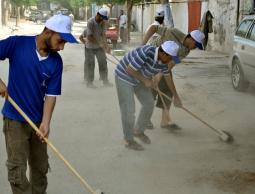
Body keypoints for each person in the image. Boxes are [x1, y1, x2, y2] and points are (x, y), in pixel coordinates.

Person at [0, 14, 77, 194]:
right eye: (61, 41)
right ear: (49, 32)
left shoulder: (56, 62)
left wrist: (46, 123)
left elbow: (51, 95)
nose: (62, 47)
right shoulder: (17, 44)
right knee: (16, 170)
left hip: (37, 122)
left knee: (40, 168)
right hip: (15, 119)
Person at [115, 41, 182, 151]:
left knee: (149, 103)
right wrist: (146, 80)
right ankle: (128, 140)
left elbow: (167, 77)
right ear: (164, 54)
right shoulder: (146, 52)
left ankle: (138, 131)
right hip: (124, 77)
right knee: (129, 109)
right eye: (171, 58)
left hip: (138, 78)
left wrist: (176, 96)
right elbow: (130, 69)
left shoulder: (165, 61)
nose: (171, 61)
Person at [142, 25, 205, 130]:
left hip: (163, 65)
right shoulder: (173, 32)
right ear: (190, 38)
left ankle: (164, 122)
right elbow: (153, 28)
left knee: (168, 90)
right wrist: (142, 44)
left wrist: (159, 75)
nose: (195, 47)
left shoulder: (185, 51)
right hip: (150, 59)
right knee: (151, 91)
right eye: (196, 44)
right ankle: (144, 118)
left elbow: (171, 63)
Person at [85, 7, 113, 88]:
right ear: (98, 14)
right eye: (102, 17)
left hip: (99, 47)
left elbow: (103, 35)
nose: (102, 19)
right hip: (90, 47)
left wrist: (106, 46)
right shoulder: (90, 22)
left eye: (104, 18)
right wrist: (99, 43)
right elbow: (89, 37)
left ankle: (105, 81)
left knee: (103, 62)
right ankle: (89, 83)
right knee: (91, 64)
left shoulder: (103, 22)